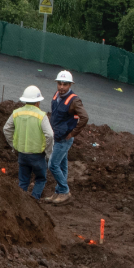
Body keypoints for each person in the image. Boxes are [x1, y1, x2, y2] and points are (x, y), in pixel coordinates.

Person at [3, 86, 55, 200]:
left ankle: (21, 203)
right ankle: (34, 202)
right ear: (38, 101)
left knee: (23, 181)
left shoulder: (16, 113)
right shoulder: (41, 116)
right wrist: (48, 153)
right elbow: (50, 135)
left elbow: (6, 129)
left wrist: (13, 145)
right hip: (37, 155)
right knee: (41, 179)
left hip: (21, 153)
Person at [46, 71, 87, 205]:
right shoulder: (56, 95)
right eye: (60, 83)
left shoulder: (74, 100)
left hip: (65, 138)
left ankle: (64, 191)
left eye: (65, 84)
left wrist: (73, 133)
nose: (62, 87)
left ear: (70, 85)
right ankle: (59, 192)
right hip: (57, 135)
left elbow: (85, 117)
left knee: (53, 164)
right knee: (62, 166)